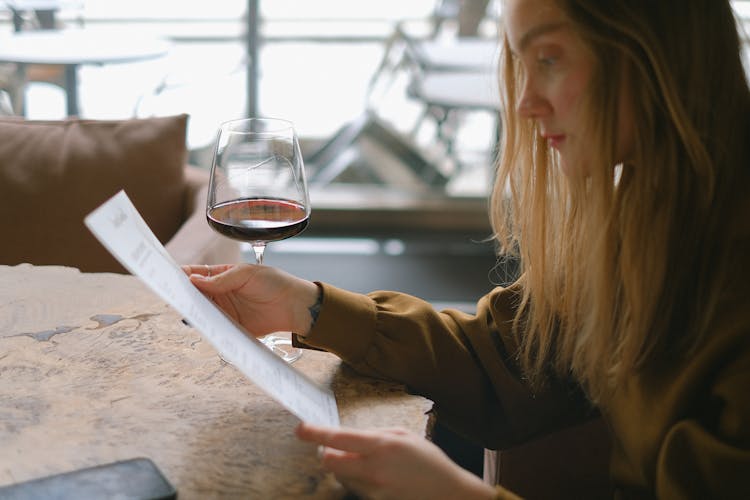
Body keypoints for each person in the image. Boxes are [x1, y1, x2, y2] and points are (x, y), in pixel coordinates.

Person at [184, 0, 750, 497]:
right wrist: (306, 305)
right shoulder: (647, 211)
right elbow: (507, 358)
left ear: (654, 54)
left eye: (548, 59)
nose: (525, 103)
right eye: (521, 68)